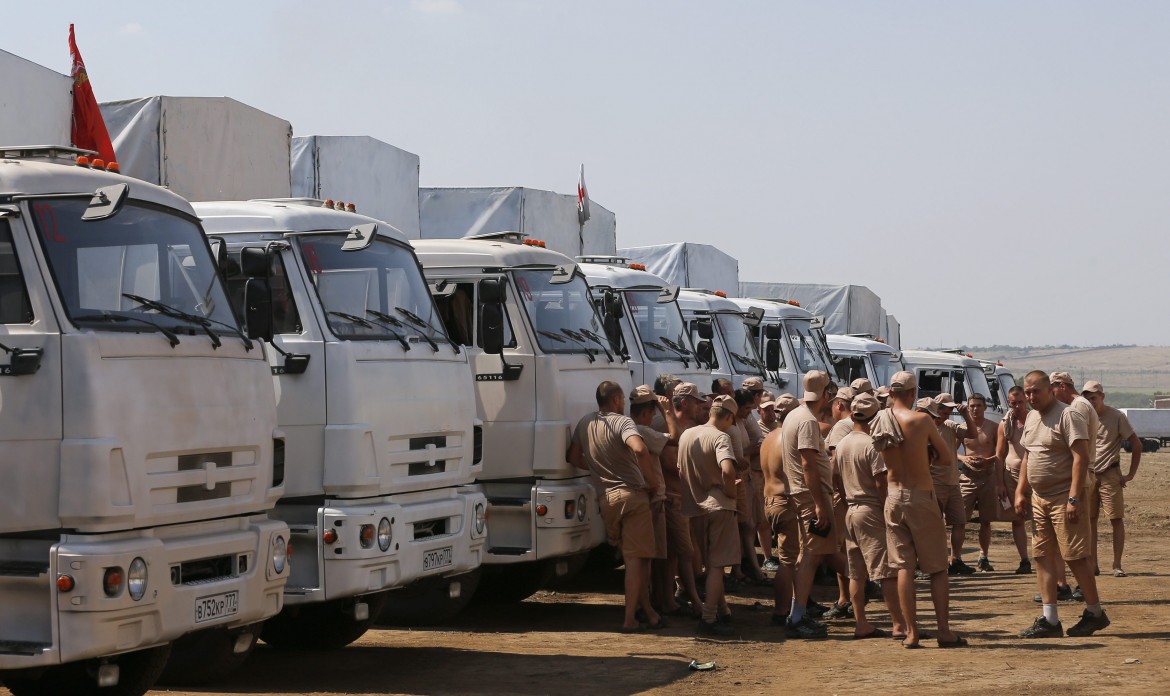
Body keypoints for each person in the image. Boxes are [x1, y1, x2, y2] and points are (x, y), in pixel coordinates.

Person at [871, 371, 966, 648]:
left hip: (893, 496)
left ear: (891, 393)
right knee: (937, 568)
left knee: (903, 567)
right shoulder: (922, 420)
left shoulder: (880, 419)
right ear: (913, 394)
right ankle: (944, 632)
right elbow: (946, 458)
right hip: (920, 496)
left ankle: (911, 633)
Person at [1015, 371, 1110, 638]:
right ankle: (1050, 619)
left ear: (1051, 390)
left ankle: (1095, 613)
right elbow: (1027, 457)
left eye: (1036, 392)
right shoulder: (1032, 417)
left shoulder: (1068, 415)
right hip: (1039, 498)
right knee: (1043, 557)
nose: (1031, 397)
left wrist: (1074, 498)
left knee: (1076, 557)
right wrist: (1021, 492)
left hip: (1063, 498)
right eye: (1028, 392)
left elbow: (1080, 458)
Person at [567, 381, 663, 632]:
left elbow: (573, 458)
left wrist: (598, 470)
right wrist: (652, 483)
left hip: (606, 499)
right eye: (622, 400)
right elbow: (640, 449)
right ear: (616, 400)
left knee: (636, 559)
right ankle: (630, 619)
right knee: (636, 561)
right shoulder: (623, 423)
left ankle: (650, 613)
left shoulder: (585, 423)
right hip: (633, 496)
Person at [781, 371, 846, 639]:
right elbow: (808, 463)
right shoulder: (807, 420)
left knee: (808, 555)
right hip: (810, 497)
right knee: (811, 557)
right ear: (826, 393)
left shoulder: (794, 415)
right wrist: (820, 504)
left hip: (803, 494)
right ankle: (797, 618)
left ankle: (798, 613)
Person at [836, 393, 906, 639]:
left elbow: (835, 477)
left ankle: (861, 623)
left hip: (851, 510)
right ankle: (899, 624)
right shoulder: (871, 444)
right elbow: (880, 483)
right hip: (870, 510)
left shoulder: (843, 443)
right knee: (885, 570)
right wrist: (889, 508)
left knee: (856, 572)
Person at [678, 394, 741, 636]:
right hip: (719, 505)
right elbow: (727, 469)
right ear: (728, 417)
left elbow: (680, 469)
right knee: (717, 566)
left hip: (694, 507)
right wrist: (730, 489)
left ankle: (722, 609)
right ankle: (709, 618)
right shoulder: (720, 437)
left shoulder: (687, 434)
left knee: (709, 563)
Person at [1081, 381, 1142, 577]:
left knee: (1116, 519)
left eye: (1094, 398)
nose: (1091, 401)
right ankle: (1093, 565)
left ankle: (1117, 564)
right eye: (1087, 398)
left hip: (1110, 474)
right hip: (1089, 475)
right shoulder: (1082, 417)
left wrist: (1130, 474)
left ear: (1102, 397)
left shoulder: (1116, 416)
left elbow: (1136, 444)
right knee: (1090, 521)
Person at [628, 385, 677, 616]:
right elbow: (675, 438)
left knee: (642, 557)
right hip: (653, 499)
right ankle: (644, 605)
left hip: (637, 497)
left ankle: (647, 602)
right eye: (653, 412)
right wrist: (668, 411)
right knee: (648, 558)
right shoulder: (643, 431)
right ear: (647, 412)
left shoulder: (626, 428)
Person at [1050, 371, 1100, 601]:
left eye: (1052, 388)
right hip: (1079, 475)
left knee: (1077, 539)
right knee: (1078, 536)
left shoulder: (1076, 408)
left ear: (1061, 386)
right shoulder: (1083, 405)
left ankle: (1083, 587)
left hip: (1077, 478)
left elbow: (1078, 452)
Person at [664, 382, 707, 615]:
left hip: (684, 498)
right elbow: (670, 465)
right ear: (685, 402)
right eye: (697, 401)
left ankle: (673, 596)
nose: (700, 406)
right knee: (686, 551)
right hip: (673, 498)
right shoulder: (670, 427)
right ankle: (693, 599)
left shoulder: (688, 426)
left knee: (676, 553)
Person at [931, 393, 978, 575]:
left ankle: (955, 559)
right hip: (935, 483)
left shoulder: (950, 426)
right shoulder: (927, 427)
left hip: (952, 482)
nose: (947, 412)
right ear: (936, 408)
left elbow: (972, 434)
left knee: (959, 521)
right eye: (944, 408)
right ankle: (934, 561)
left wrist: (966, 415)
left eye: (950, 409)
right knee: (934, 525)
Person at [958, 394, 1001, 571]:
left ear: (985, 407)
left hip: (988, 476)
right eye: (972, 406)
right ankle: (956, 558)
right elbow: (950, 451)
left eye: (978, 406)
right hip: (967, 477)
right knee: (960, 519)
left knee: (986, 520)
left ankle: (983, 556)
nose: (975, 409)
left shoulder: (993, 427)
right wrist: (964, 459)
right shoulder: (961, 428)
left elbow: (1001, 452)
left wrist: (989, 460)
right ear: (968, 407)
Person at [995, 385, 1034, 574]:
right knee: (1017, 520)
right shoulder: (1005, 423)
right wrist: (1000, 483)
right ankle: (1024, 560)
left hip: (1034, 476)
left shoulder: (1036, 420)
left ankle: (1043, 557)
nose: (1017, 406)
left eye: (1020, 402)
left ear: (1026, 400)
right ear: (1008, 403)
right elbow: (999, 455)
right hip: (1011, 475)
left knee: (1040, 519)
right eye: (1013, 403)